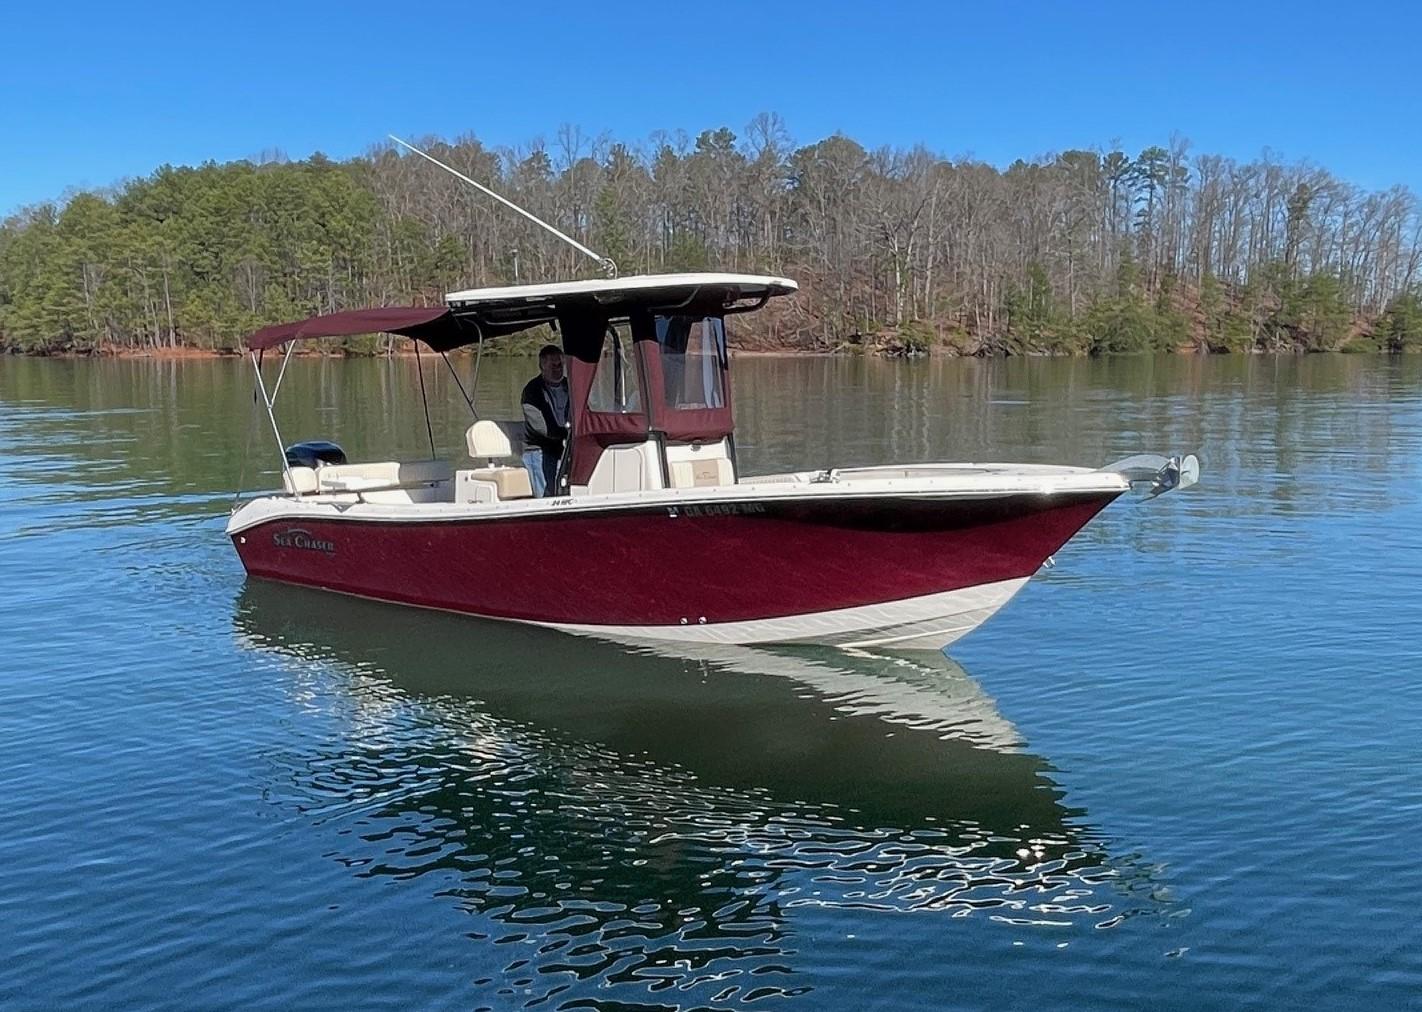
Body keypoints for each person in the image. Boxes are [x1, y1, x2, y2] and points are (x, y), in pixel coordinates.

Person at [521, 344, 569, 496]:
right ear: (542, 366)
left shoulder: (570, 386)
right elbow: (539, 426)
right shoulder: (532, 390)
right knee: (546, 496)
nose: (558, 368)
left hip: (566, 447)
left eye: (560, 364)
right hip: (539, 449)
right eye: (553, 365)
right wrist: (566, 434)